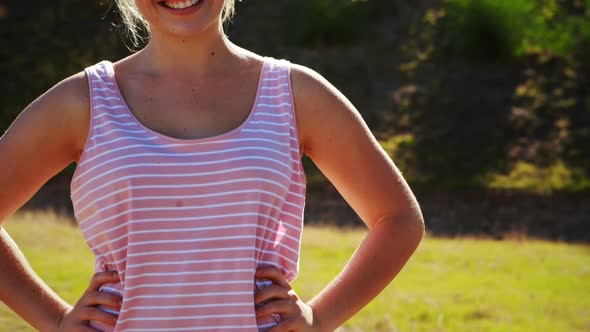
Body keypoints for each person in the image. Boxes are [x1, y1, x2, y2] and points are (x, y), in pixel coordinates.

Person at [0, 0, 425, 331]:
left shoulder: (293, 95)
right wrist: (53, 320)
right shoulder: (85, 102)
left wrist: (321, 317)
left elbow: (399, 218)